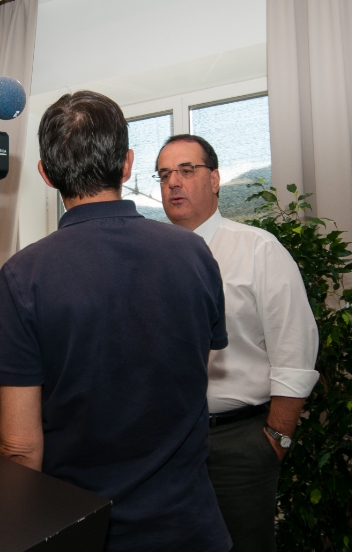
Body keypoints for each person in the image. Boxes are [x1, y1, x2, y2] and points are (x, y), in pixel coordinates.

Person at [0, 91, 231, 552]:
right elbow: (190, 361)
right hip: (188, 527)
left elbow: (19, 448)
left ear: (46, 174)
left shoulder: (23, 275)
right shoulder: (193, 252)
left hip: (83, 528)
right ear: (127, 164)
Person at [156, 134, 319, 552]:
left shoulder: (258, 249)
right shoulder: (148, 258)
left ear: (214, 180)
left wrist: (275, 440)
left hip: (238, 444)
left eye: (186, 170)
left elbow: (295, 352)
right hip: (164, 442)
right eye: (164, 174)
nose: (174, 182)